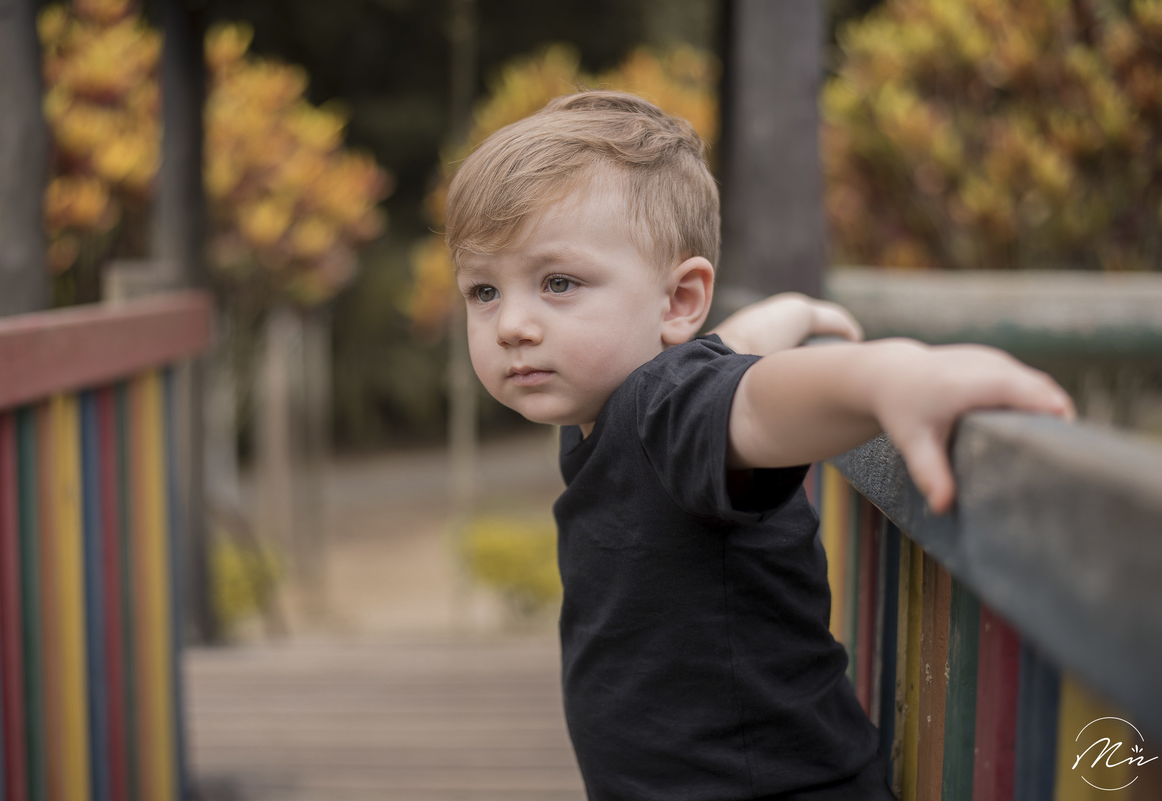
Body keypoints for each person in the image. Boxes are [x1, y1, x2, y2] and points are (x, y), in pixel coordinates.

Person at [445, 90, 1074, 800]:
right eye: (484, 290)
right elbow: (728, 356)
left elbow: (759, 397)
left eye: (557, 283)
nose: (511, 325)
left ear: (679, 300)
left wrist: (889, 375)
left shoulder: (661, 408)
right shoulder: (619, 404)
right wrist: (780, 318)